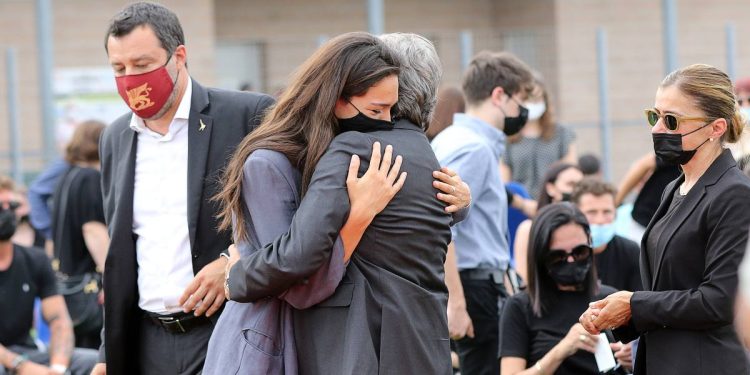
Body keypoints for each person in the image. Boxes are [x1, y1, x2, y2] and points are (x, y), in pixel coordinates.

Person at [204, 32, 468, 375]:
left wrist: (235, 276)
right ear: (337, 97)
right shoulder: (419, 151)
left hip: (351, 342)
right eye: (377, 108)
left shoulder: (353, 149)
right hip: (280, 338)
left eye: (389, 107)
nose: (386, 121)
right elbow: (296, 271)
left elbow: (300, 253)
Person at [93, 3, 275, 374]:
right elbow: (122, 252)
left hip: (226, 330)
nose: (131, 78)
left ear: (179, 56)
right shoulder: (114, 138)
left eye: (142, 65)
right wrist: (105, 354)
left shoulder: (247, 115)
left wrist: (233, 261)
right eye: (119, 68)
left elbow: (296, 211)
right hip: (146, 341)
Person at [580, 64, 750, 375]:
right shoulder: (674, 188)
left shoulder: (734, 193)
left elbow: (719, 301)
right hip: (663, 360)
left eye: (671, 120)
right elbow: (670, 287)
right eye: (654, 116)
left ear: (716, 128)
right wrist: (622, 315)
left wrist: (634, 305)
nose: (658, 129)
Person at [431, 50, 534, 375]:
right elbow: (441, 226)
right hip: (475, 288)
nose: (523, 112)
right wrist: (457, 304)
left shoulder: (455, 138)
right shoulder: (473, 148)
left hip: (474, 284)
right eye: (520, 100)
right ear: (499, 96)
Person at [500, 202, 618, 375]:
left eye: (580, 252)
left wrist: (631, 356)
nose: (570, 260)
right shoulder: (520, 306)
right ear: (541, 257)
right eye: (558, 256)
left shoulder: (609, 299)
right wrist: (561, 350)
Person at [0, 176, 98, 375]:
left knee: (94, 362)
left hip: (27, 353)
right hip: (10, 362)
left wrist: (57, 368)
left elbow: (59, 320)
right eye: (0, 206)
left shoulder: (35, 260)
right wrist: (23, 366)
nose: (7, 212)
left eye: (12, 205)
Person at [50, 120, 107, 349]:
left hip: (68, 279)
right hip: (88, 283)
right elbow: (92, 229)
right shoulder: (89, 178)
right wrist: (110, 274)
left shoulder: (66, 177)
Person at [501, 74, 577, 199]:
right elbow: (504, 182)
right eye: (526, 99)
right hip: (520, 205)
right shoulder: (508, 137)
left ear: (545, 100)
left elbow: (572, 175)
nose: (531, 104)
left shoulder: (562, 133)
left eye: (536, 99)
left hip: (555, 203)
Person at [514, 163, 583, 283]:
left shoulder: (588, 228)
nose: (576, 191)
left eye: (581, 186)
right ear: (551, 188)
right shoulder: (529, 229)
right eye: (570, 184)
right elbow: (524, 279)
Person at [571, 178, 641, 292]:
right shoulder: (563, 252)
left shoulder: (630, 251)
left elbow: (639, 298)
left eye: (607, 212)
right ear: (575, 214)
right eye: (591, 212)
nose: (600, 220)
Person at [614, 152, 680, 243]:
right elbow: (646, 163)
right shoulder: (685, 145)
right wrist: (614, 202)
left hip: (680, 228)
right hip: (645, 222)